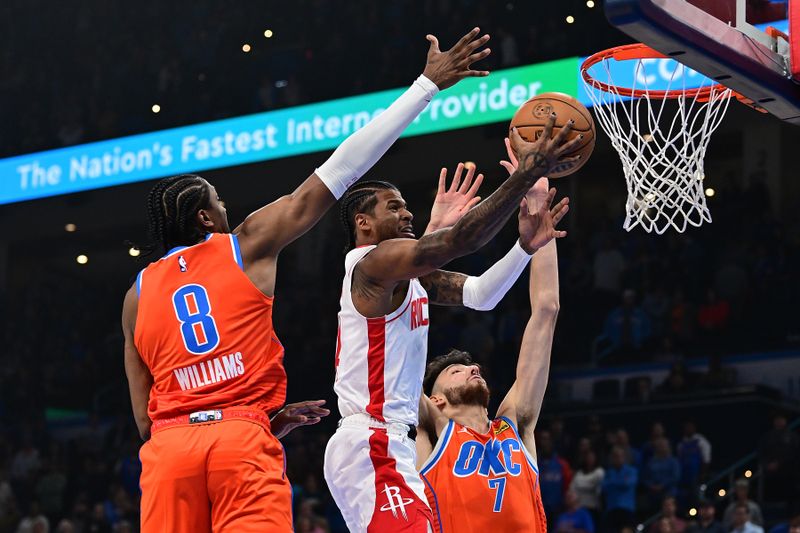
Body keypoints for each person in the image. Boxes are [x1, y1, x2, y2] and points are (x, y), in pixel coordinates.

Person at [122, 27, 490, 533]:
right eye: (219, 203)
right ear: (205, 220)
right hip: (239, 442)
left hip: (167, 454)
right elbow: (341, 169)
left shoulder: (136, 293)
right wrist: (424, 87)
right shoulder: (243, 244)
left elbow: (144, 418)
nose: (228, 209)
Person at [325, 110, 580, 532]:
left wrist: (525, 247)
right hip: (372, 439)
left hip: (388, 446)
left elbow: (482, 295)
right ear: (363, 223)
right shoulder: (370, 265)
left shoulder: (407, 280)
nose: (407, 214)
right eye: (395, 207)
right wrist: (527, 175)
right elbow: (460, 242)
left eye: (409, 208)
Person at [416, 176, 566, 533]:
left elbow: (546, 310)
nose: (472, 369)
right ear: (435, 399)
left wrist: (536, 203)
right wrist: (435, 231)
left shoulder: (515, 425)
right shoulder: (429, 429)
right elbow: (404, 304)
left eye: (470, 367)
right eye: (456, 371)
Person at [602, 446, 638, 532]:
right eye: (615, 456)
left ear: (624, 457)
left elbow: (628, 484)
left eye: (619, 456)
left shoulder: (631, 471)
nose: (617, 458)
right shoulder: (609, 472)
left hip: (627, 509)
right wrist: (621, 481)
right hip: (612, 508)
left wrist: (613, 482)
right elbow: (604, 487)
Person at [643, 438, 681, 510]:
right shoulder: (651, 462)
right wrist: (651, 486)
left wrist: (662, 486)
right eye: (660, 446)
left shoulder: (673, 461)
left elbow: (676, 477)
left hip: (669, 493)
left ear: (668, 447)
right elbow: (645, 477)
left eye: (664, 446)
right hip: (653, 494)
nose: (662, 448)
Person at [570, 449, 604, 519]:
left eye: (591, 457)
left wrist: (581, 485)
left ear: (595, 458)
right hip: (580, 506)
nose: (589, 459)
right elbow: (572, 488)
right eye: (588, 457)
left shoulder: (599, 471)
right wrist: (590, 484)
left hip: (594, 507)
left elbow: (597, 487)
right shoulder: (579, 473)